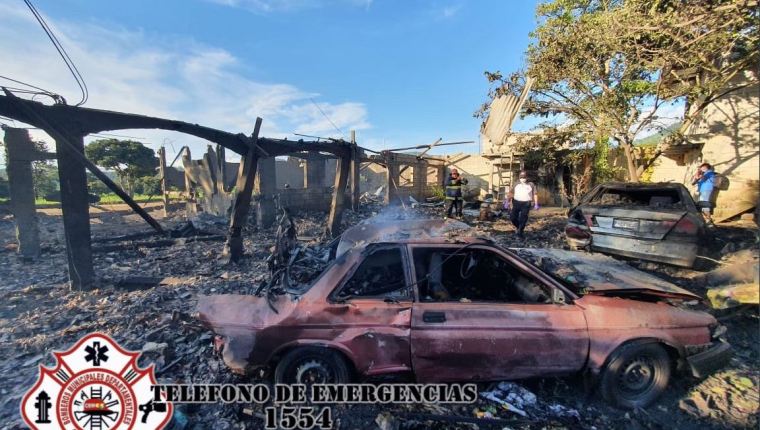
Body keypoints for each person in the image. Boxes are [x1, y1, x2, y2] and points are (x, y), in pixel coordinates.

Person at [506, 170, 539, 239]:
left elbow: (535, 194)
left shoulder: (531, 184)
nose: (522, 179)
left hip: (526, 204)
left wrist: (536, 204)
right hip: (516, 202)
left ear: (526, 177)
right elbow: (511, 193)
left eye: (524, 177)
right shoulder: (516, 184)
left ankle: (520, 232)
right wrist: (507, 201)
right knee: (512, 217)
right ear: (519, 177)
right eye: (521, 177)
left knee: (523, 218)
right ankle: (519, 227)